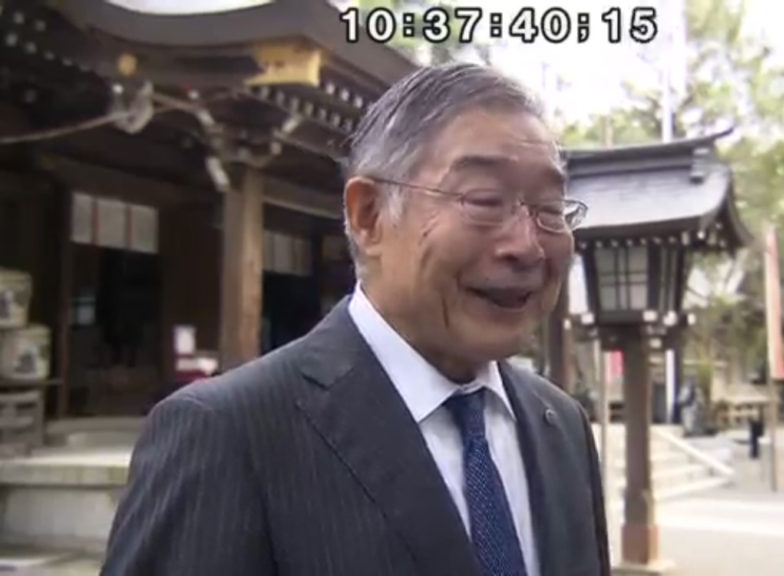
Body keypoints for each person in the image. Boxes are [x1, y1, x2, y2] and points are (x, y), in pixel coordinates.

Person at [101, 63, 611, 576]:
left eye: (550, 209)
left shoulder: (560, 424)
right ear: (369, 216)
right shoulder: (228, 434)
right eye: (484, 200)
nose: (527, 246)